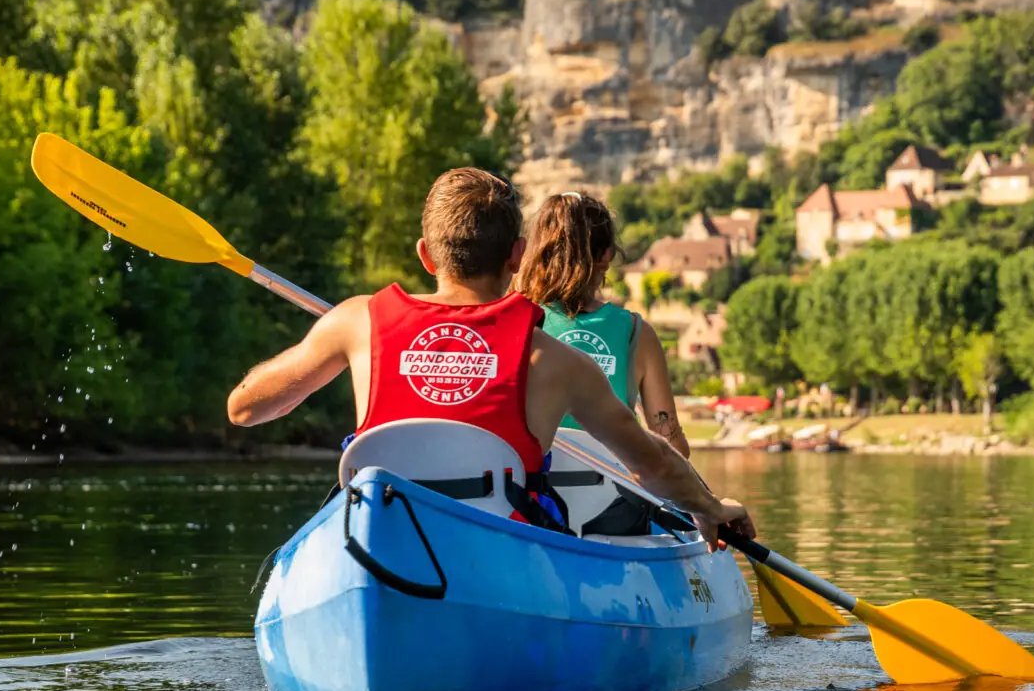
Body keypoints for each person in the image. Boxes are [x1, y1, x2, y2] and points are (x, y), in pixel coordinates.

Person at [225, 168, 752, 547]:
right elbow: (653, 461)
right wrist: (710, 508)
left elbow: (245, 408)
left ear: (426, 255)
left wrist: (328, 338)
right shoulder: (556, 361)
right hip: (506, 550)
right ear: (516, 256)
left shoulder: (356, 322)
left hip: (385, 539)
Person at [515, 191, 689, 456]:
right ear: (606, 257)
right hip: (611, 490)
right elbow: (674, 449)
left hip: (537, 487)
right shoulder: (635, 333)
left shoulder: (516, 323)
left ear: (538, 252)